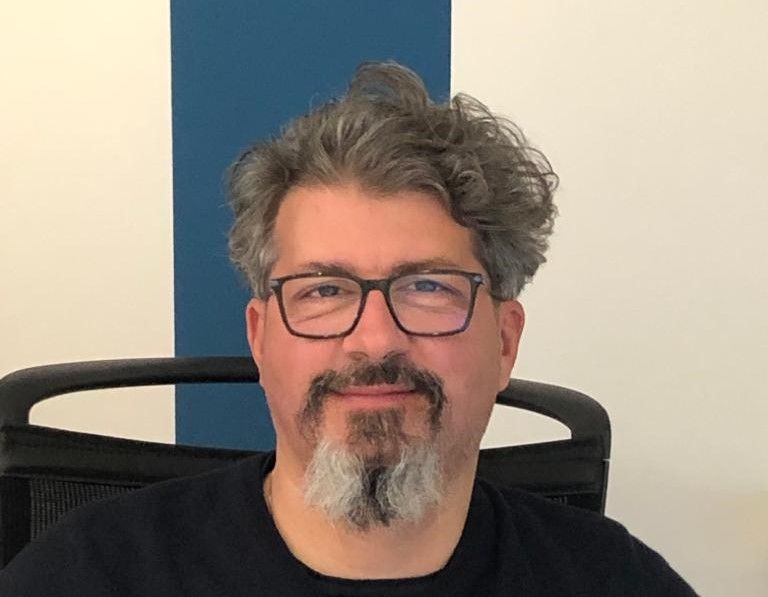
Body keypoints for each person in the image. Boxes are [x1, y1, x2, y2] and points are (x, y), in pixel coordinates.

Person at [0, 62, 697, 596]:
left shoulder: (618, 581)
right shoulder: (86, 574)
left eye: (428, 287)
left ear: (505, 340)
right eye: (325, 291)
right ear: (260, 337)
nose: (375, 340)